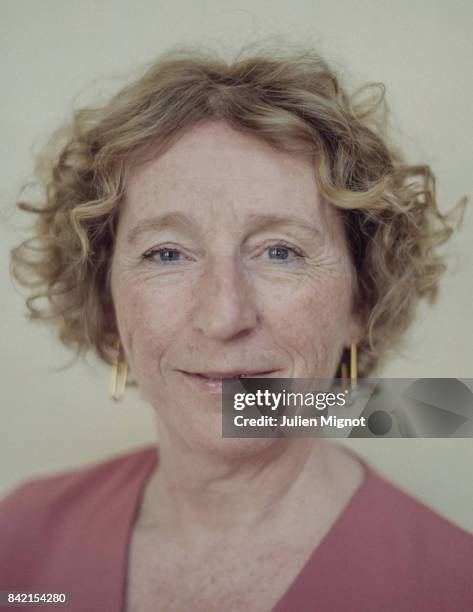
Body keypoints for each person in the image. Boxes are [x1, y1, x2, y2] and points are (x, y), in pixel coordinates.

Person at [1, 43, 472, 611]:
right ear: (108, 303)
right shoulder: (21, 541)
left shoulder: (453, 587)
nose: (224, 317)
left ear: (360, 302)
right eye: (167, 254)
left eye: (280, 251)